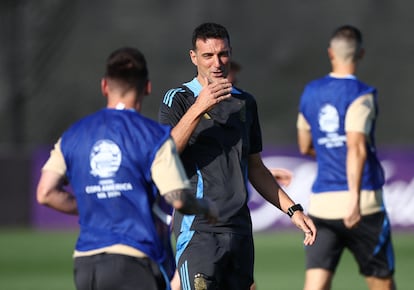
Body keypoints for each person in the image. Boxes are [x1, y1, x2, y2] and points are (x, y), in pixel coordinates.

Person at [36, 47, 218, 290]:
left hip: (85, 263)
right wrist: (205, 206)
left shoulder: (73, 134)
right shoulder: (154, 136)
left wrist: (97, 203)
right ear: (147, 87)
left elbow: (45, 193)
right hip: (134, 261)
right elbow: (177, 199)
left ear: (104, 86)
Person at [159, 22, 316, 290]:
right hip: (199, 232)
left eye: (223, 54)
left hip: (240, 231)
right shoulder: (179, 99)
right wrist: (200, 107)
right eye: (208, 56)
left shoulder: (245, 103)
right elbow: (164, 155)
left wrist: (292, 209)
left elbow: (255, 167)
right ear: (193, 57)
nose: (217, 63)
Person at [297, 25, 396, 290]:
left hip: (322, 205)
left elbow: (305, 145)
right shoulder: (362, 94)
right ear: (361, 54)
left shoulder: (310, 92)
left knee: (315, 285)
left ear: (331, 53)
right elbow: (357, 147)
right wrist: (353, 201)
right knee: (381, 284)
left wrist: (330, 150)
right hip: (362, 204)